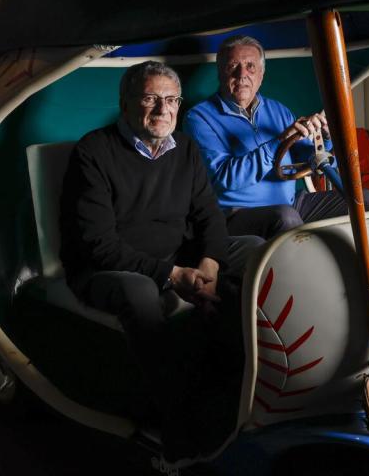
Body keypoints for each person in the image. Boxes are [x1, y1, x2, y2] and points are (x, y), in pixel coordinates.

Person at [59, 61, 260, 458]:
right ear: (126, 103)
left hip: (175, 256)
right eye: (150, 98)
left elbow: (209, 217)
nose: (162, 109)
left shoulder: (184, 147)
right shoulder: (93, 152)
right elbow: (98, 244)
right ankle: (179, 432)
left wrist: (210, 266)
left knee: (255, 247)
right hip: (106, 268)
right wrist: (171, 275)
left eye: (171, 99)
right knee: (138, 294)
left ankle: (244, 381)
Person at [185, 35, 369, 239]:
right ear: (220, 72)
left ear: (261, 74)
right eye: (233, 65)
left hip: (292, 203)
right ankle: (304, 270)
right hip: (236, 214)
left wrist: (323, 139)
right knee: (286, 218)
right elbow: (225, 178)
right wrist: (278, 142)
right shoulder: (198, 118)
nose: (242, 75)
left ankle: (354, 265)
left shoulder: (278, 110)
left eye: (250, 66)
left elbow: (310, 162)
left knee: (365, 199)